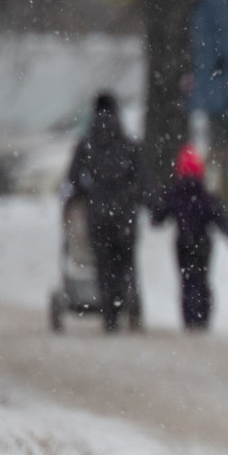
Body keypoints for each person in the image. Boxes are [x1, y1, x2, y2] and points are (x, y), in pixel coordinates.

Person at [67, 93, 148, 331]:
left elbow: (73, 178)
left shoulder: (86, 144)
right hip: (125, 213)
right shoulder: (128, 145)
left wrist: (86, 191)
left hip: (98, 213)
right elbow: (143, 179)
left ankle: (109, 314)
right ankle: (123, 301)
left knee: (104, 264)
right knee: (125, 261)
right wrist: (150, 203)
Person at [151, 144, 228, 330]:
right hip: (203, 243)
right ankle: (203, 315)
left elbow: (159, 216)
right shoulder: (205, 195)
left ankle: (190, 317)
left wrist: (156, 213)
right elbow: (219, 216)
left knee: (187, 280)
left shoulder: (175, 194)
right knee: (202, 278)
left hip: (183, 242)